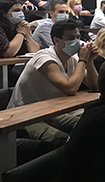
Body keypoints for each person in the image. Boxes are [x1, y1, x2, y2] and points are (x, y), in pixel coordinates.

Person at [7, 20, 99, 148]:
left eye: (78, 37)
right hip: (26, 116)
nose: (77, 41)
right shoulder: (45, 58)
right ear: (56, 40)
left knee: (94, 126)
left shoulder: (73, 59)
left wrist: (89, 61)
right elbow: (70, 88)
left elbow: (95, 86)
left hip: (52, 112)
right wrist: (83, 59)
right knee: (63, 141)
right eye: (71, 38)